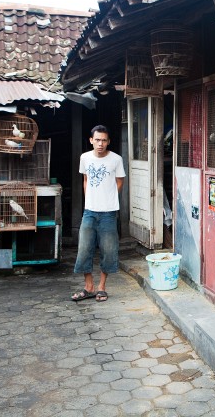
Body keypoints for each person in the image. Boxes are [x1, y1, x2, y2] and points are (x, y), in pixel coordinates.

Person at [71, 125, 126, 302]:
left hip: (109, 212)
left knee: (109, 250)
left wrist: (108, 198)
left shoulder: (116, 159)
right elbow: (85, 179)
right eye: (97, 140)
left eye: (103, 140)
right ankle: (89, 287)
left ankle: (101, 287)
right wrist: (90, 199)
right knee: (84, 248)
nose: (100, 143)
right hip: (89, 212)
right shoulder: (85, 157)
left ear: (108, 141)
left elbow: (119, 182)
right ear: (91, 140)